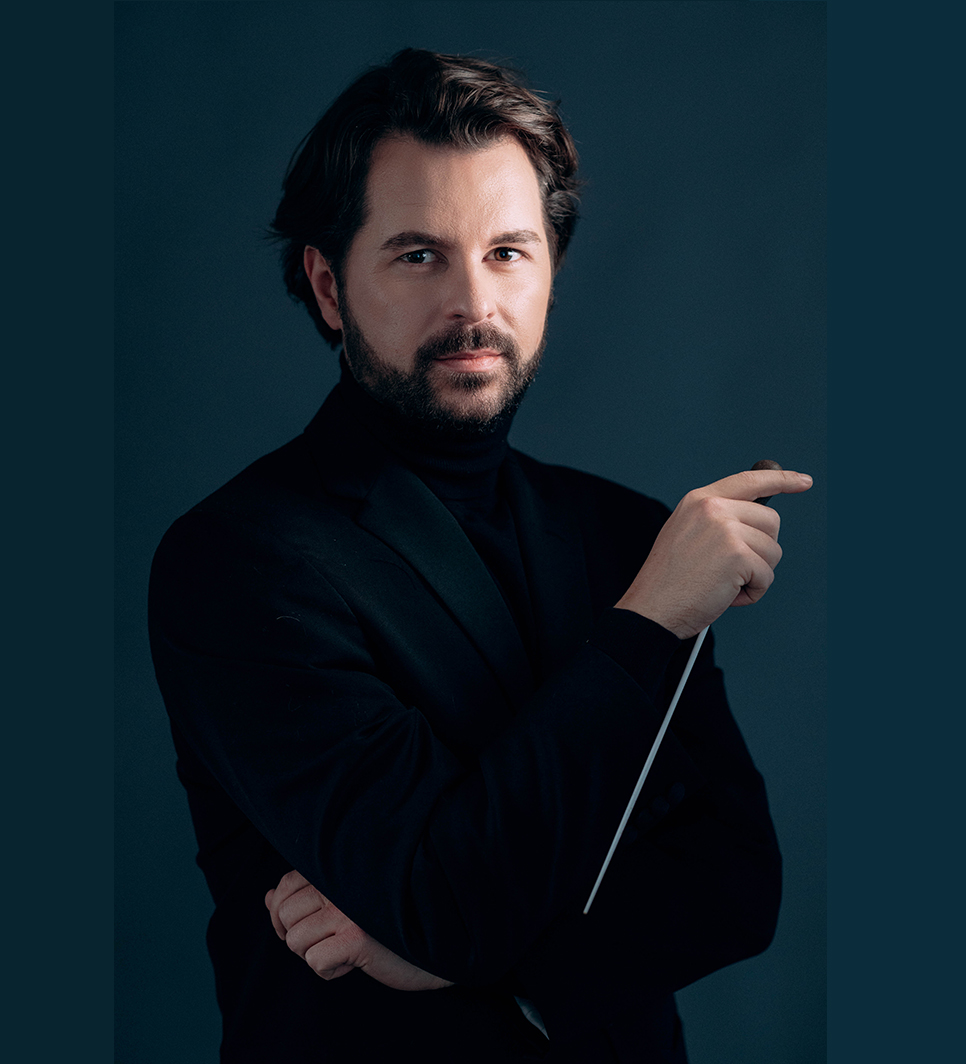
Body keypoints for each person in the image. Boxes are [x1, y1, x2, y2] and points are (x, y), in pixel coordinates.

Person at [148, 47, 811, 1062]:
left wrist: (471, 960)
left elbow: (734, 884)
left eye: (507, 251)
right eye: (420, 255)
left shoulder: (628, 534)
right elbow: (444, 898)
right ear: (328, 285)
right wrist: (648, 623)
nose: (473, 304)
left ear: (550, 270)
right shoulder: (236, 561)